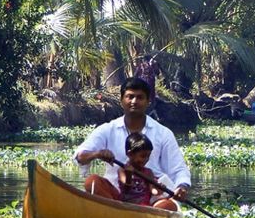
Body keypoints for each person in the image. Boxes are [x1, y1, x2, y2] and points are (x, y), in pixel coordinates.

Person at [74, 77, 189, 211]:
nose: (134, 101)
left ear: (148, 102)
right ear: (122, 100)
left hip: (151, 201)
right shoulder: (107, 130)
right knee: (92, 182)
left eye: (140, 97)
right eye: (130, 97)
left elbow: (179, 169)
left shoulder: (163, 133)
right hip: (113, 196)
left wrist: (182, 186)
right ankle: (117, 214)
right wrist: (97, 154)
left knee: (168, 206)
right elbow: (79, 157)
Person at [119, 132, 176, 209]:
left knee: (169, 204)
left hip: (144, 207)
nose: (146, 160)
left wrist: (159, 190)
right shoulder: (122, 170)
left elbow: (153, 191)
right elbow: (126, 189)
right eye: (142, 156)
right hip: (126, 206)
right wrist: (129, 175)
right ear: (130, 154)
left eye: (148, 156)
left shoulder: (148, 172)